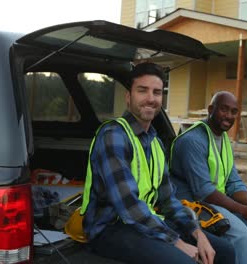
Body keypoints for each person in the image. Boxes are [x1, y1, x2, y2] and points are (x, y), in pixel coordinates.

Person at [80, 63, 235, 264]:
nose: (151, 98)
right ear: (128, 97)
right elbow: (129, 206)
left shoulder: (155, 142)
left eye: (157, 92)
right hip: (110, 228)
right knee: (183, 260)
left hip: (144, 223)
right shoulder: (114, 136)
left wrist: (197, 234)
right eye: (142, 90)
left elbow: (168, 200)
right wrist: (177, 242)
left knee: (224, 251)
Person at [170, 91, 247, 264]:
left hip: (216, 201)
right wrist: (242, 210)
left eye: (234, 111)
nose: (229, 116)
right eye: (223, 109)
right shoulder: (192, 140)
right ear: (211, 109)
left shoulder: (223, 139)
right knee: (241, 236)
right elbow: (204, 191)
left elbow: (233, 182)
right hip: (193, 204)